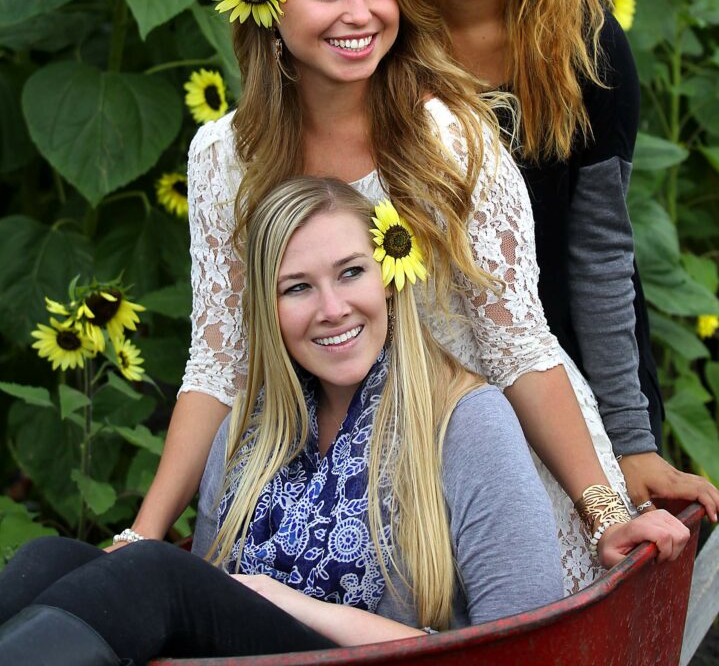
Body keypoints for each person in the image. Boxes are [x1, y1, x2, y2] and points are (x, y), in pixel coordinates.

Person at [107, 0, 702, 592]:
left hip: (464, 448)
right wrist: (143, 536)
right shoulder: (223, 157)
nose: (359, 15)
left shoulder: (449, 140)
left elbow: (517, 344)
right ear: (267, 5)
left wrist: (603, 514)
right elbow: (218, 365)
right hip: (314, 461)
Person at [0, 178, 578, 662]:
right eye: (297, 288)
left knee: (154, 571)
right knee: (46, 558)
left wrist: (287, 601)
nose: (332, 309)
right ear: (267, 311)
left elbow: (523, 647)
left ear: (389, 276)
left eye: (351, 272)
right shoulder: (249, 431)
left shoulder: (467, 421)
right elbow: (207, 603)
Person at [361, 0, 719, 517]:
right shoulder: (370, 28)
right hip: (386, 375)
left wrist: (631, 442)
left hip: (552, 375)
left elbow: (597, 252)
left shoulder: (577, 34)